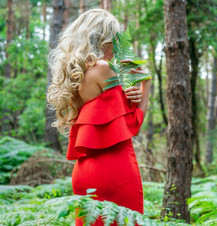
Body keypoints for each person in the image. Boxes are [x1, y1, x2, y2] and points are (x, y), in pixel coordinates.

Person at [47, 8, 151, 225]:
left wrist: (127, 93)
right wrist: (145, 84)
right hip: (113, 169)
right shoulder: (103, 68)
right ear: (105, 39)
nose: (117, 44)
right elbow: (132, 123)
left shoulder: (75, 74)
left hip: (84, 171)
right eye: (115, 37)